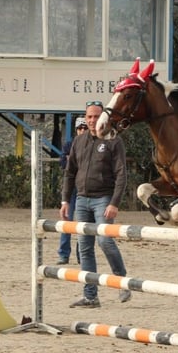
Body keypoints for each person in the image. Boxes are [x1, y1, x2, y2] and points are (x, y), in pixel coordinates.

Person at [59, 101, 131, 307]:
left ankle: (121, 281)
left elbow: (121, 174)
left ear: (103, 118)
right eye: (89, 116)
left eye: (95, 116)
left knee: (105, 241)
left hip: (104, 199)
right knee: (84, 247)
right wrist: (65, 199)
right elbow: (70, 172)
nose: (92, 120)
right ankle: (90, 295)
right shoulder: (78, 141)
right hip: (81, 199)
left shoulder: (114, 141)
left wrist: (114, 202)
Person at [56, 116, 88, 265]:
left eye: (85, 127)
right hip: (71, 188)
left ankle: (81, 254)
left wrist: (71, 161)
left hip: (84, 188)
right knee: (67, 221)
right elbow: (63, 163)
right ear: (76, 130)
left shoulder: (92, 145)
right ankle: (63, 254)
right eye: (80, 128)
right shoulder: (69, 144)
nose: (82, 130)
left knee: (83, 223)